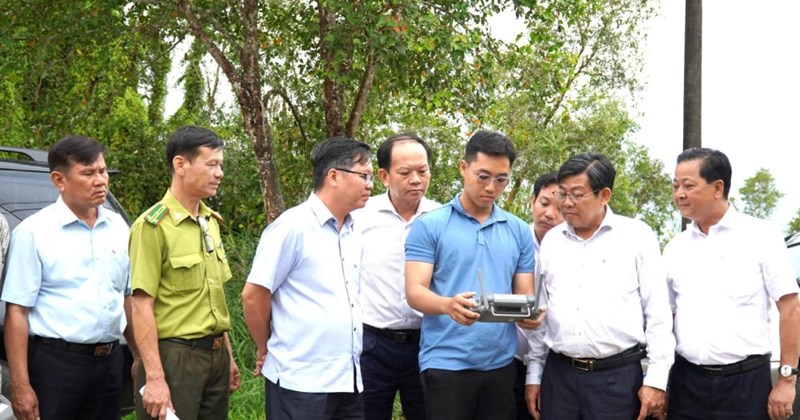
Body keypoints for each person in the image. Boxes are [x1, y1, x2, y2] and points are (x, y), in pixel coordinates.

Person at [525, 152, 674, 420]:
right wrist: (534, 375)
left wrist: (656, 380)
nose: (566, 203)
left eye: (577, 195)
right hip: (560, 377)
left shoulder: (637, 236)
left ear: (604, 195)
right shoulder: (552, 242)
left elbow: (658, 315)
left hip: (616, 380)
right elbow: (542, 314)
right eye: (562, 194)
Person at [405, 130, 540, 420]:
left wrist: (529, 316)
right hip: (446, 362)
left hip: (501, 364)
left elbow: (524, 296)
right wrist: (448, 305)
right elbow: (415, 292)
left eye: (501, 179)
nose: (491, 187)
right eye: (483, 176)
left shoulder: (518, 231)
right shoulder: (430, 225)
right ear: (464, 168)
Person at [1, 135, 135, 420]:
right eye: (88, 173)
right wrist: (21, 386)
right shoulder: (34, 232)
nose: (100, 181)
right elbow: (17, 312)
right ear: (59, 180)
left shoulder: (119, 229)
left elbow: (127, 298)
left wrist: (141, 357)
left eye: (102, 171)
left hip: (111, 361)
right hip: (56, 365)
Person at [242, 136, 374, 419]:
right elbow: (254, 296)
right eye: (364, 176)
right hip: (300, 381)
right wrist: (265, 346)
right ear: (334, 176)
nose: (370, 185)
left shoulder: (354, 232)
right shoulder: (292, 227)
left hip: (347, 378)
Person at [663, 147, 800, 420]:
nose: (679, 194)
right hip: (687, 384)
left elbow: (790, 307)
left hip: (745, 385)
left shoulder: (760, 236)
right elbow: (665, 317)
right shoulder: (675, 248)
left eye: (688, 186)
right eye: (676, 186)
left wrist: (787, 380)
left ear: (718, 188)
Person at [129, 125, 240, 419]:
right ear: (180, 165)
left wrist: (227, 355)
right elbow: (141, 305)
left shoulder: (210, 221)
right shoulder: (152, 226)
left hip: (215, 355)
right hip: (176, 357)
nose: (219, 173)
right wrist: (155, 377)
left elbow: (213, 298)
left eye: (221, 165)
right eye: (211, 164)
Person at [353, 133, 440, 420]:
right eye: (405, 173)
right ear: (384, 176)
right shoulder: (360, 216)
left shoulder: (441, 218)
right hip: (372, 344)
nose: (416, 180)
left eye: (423, 171)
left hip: (427, 342)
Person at [513, 172, 563, 420]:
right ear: (532, 201)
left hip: (555, 364)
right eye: (544, 203)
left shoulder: (573, 251)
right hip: (509, 360)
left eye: (560, 208)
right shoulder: (512, 241)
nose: (550, 214)